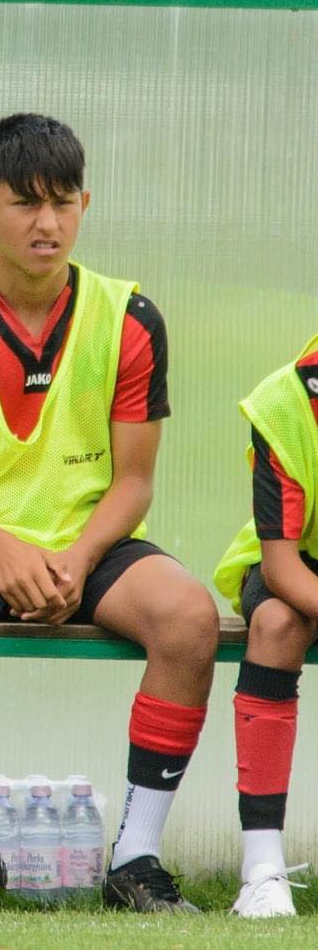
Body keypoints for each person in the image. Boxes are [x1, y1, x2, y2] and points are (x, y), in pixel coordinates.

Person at [0, 113, 218, 913]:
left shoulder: (129, 316)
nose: (47, 222)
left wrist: (74, 557)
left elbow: (135, 482)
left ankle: (136, 858)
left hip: (91, 543)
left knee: (189, 616)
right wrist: (3, 549)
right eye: (25, 202)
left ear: (84, 202)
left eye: (63, 202)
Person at [211, 334, 318, 919]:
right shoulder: (285, 402)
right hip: (297, 564)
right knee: (276, 623)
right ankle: (261, 869)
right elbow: (281, 566)